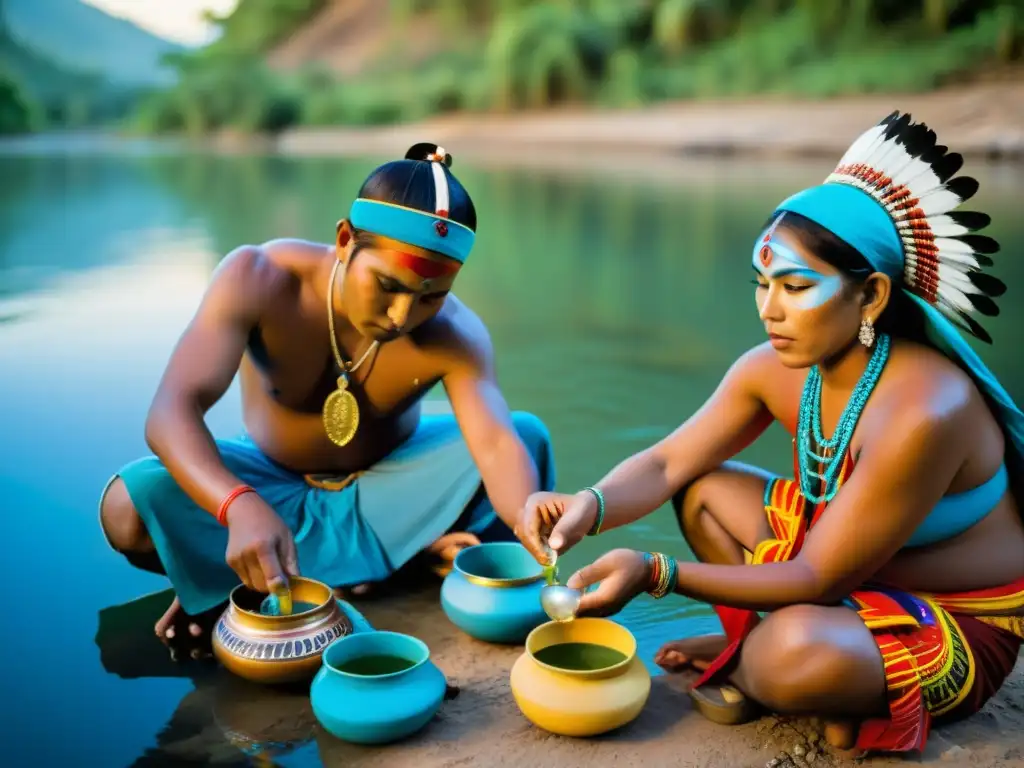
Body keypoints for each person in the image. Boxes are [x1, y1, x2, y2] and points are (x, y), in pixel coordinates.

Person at [517, 112, 1024, 756]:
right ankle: (781, 663)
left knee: (795, 658)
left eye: (795, 286)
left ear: (870, 296)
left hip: (951, 618)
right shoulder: (777, 369)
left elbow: (816, 575)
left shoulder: (926, 409)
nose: (768, 309)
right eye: (761, 285)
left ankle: (769, 663)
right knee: (704, 489)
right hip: (842, 577)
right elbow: (672, 462)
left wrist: (656, 571)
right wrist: (588, 507)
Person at [100, 143, 555, 660]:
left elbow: (495, 446)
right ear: (344, 240)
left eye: (431, 297)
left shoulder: (457, 334)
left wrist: (529, 522)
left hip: (387, 486)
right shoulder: (258, 278)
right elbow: (170, 414)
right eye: (388, 285)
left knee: (527, 439)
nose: (403, 316)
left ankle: (256, 584)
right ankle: (384, 565)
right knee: (127, 509)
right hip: (266, 483)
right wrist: (237, 506)